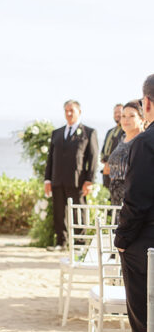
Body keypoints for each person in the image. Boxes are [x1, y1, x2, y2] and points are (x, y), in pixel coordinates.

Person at [111, 77, 154, 332]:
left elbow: (136, 201)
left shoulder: (145, 143)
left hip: (146, 247)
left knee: (144, 320)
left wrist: (121, 239)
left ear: (147, 104)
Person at [43, 100, 99, 247]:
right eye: (66, 110)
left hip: (77, 181)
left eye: (71, 110)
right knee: (59, 213)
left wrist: (89, 180)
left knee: (78, 213)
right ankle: (61, 242)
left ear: (79, 112)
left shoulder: (89, 132)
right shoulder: (57, 133)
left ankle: (80, 243)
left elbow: (93, 158)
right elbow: (51, 158)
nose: (68, 113)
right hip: (57, 180)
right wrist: (47, 180)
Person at [103, 100, 144, 206]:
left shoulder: (143, 141)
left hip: (134, 201)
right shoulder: (122, 138)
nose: (126, 120)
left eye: (131, 116)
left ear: (142, 119)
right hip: (116, 200)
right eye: (123, 116)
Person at [100, 103, 124, 190]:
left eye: (119, 112)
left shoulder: (125, 131)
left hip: (118, 171)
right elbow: (104, 147)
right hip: (107, 170)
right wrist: (103, 158)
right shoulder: (110, 131)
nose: (117, 115)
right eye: (115, 113)